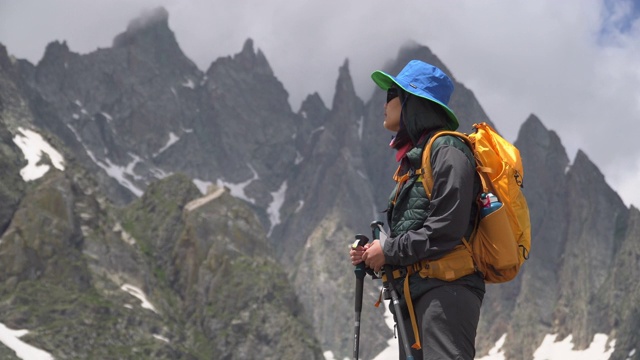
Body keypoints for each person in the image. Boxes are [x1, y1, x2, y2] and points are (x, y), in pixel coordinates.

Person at [350, 60, 485, 360]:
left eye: (392, 94)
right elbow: (421, 234)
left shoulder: (448, 149)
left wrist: (389, 251)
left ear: (413, 100)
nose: (384, 103)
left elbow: (446, 228)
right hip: (418, 296)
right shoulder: (417, 160)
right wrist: (377, 253)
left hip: (446, 293)